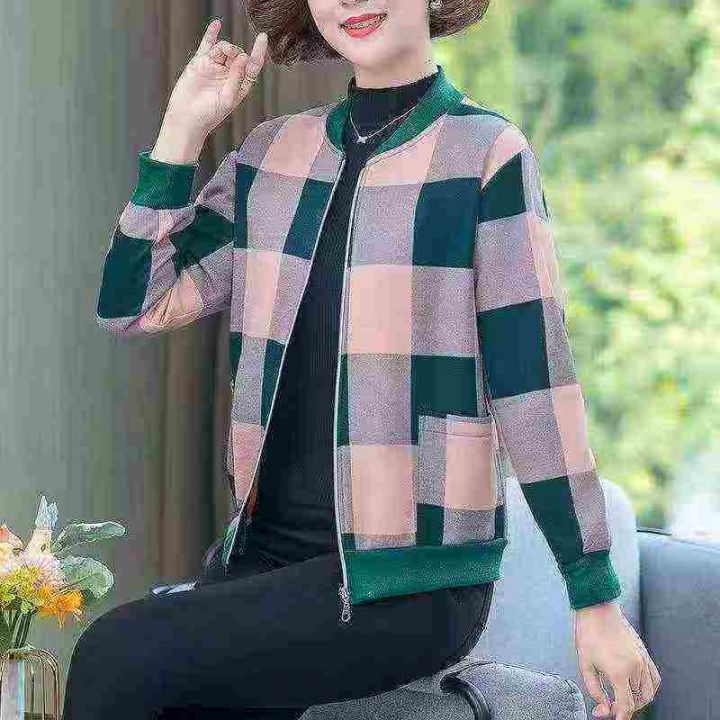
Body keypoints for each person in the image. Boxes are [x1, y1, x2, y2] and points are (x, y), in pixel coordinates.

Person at [65, 2, 661, 720]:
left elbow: (533, 385)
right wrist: (180, 133)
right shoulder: (270, 155)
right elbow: (133, 303)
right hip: (260, 562)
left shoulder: (486, 154)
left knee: (113, 653)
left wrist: (594, 599)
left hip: (410, 584)